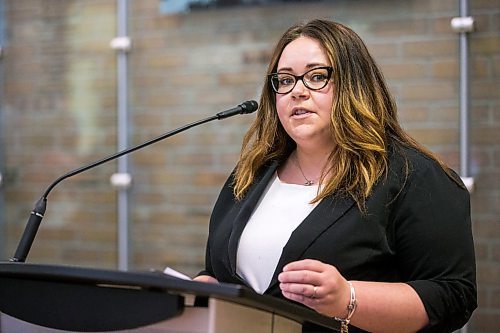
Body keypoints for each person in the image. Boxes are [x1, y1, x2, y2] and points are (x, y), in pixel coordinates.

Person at [194, 19, 477, 333]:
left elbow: (452, 296)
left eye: (316, 77)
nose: (297, 91)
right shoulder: (250, 173)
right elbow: (218, 270)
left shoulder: (413, 176)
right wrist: (204, 289)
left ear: (354, 84)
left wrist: (349, 298)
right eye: (285, 80)